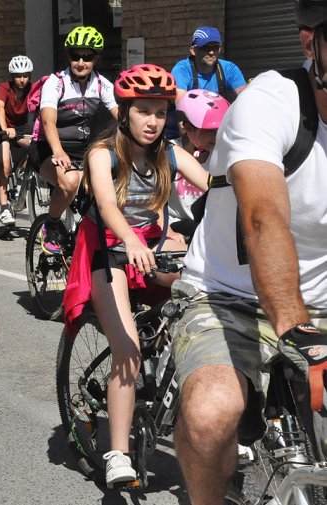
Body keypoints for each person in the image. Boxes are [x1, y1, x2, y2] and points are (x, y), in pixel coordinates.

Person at [172, 2, 327, 502]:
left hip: (321, 300)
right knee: (210, 413)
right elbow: (263, 217)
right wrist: (299, 331)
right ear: (312, 45)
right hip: (228, 296)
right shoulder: (269, 103)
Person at [61, 64, 209, 488]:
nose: (152, 121)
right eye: (143, 111)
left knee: (201, 311)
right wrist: (131, 238)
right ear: (124, 112)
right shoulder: (102, 153)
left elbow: (214, 186)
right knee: (126, 349)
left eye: (160, 113)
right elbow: (108, 206)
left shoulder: (171, 152)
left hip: (151, 246)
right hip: (107, 250)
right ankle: (118, 453)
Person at [36, 26, 118, 253]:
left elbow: (120, 115)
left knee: (110, 183)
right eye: (75, 55)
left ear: (96, 58)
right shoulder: (56, 82)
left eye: (87, 56)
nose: (80, 62)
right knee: (71, 182)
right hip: (49, 148)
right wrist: (58, 152)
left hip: (84, 149)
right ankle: (51, 224)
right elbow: (48, 122)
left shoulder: (101, 84)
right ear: (68, 56)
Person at [166, 26, 247, 139]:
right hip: (187, 125)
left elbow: (246, 98)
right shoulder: (182, 69)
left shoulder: (229, 69)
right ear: (193, 50)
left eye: (215, 47)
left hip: (214, 124)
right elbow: (181, 106)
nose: (211, 52)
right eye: (206, 47)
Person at [168, 90, 229, 239]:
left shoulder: (224, 155)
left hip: (207, 224)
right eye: (211, 131)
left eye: (220, 130)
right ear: (188, 128)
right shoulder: (168, 153)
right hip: (174, 225)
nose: (217, 136)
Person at [0, 55, 34, 225]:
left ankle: (22, 168)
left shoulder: (32, 88)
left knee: (37, 144)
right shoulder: (4, 88)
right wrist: (5, 128)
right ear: (12, 76)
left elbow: (41, 106)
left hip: (20, 128)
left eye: (25, 75)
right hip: (1, 127)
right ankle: (4, 207)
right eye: (18, 76)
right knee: (5, 165)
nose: (22, 80)